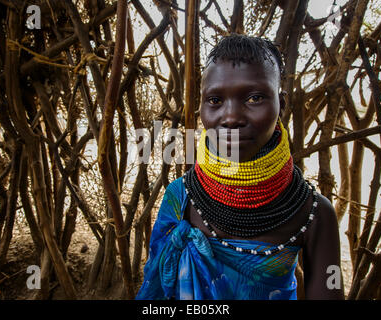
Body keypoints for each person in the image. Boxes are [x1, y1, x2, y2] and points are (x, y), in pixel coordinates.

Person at [136, 34, 344, 300]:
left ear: (282, 103)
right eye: (214, 100)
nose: (231, 117)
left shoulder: (314, 212)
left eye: (255, 98)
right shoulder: (181, 197)